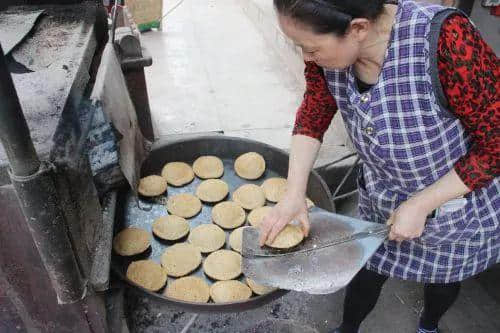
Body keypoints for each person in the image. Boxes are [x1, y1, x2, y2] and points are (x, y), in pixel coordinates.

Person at [258, 1, 499, 332]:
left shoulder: (446, 41)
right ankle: (348, 328)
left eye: (311, 48)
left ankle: (429, 325)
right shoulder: (327, 54)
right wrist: (294, 193)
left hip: (454, 200)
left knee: (444, 276)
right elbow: (316, 108)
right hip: (382, 194)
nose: (306, 57)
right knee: (369, 268)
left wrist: (423, 203)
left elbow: (495, 145)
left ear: (358, 28)